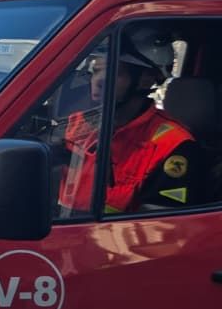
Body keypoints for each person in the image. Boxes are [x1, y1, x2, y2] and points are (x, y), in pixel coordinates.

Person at [59, 29, 198, 215]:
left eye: (115, 73)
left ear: (145, 80)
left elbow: (158, 227)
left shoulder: (173, 144)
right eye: (96, 70)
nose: (98, 81)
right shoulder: (73, 124)